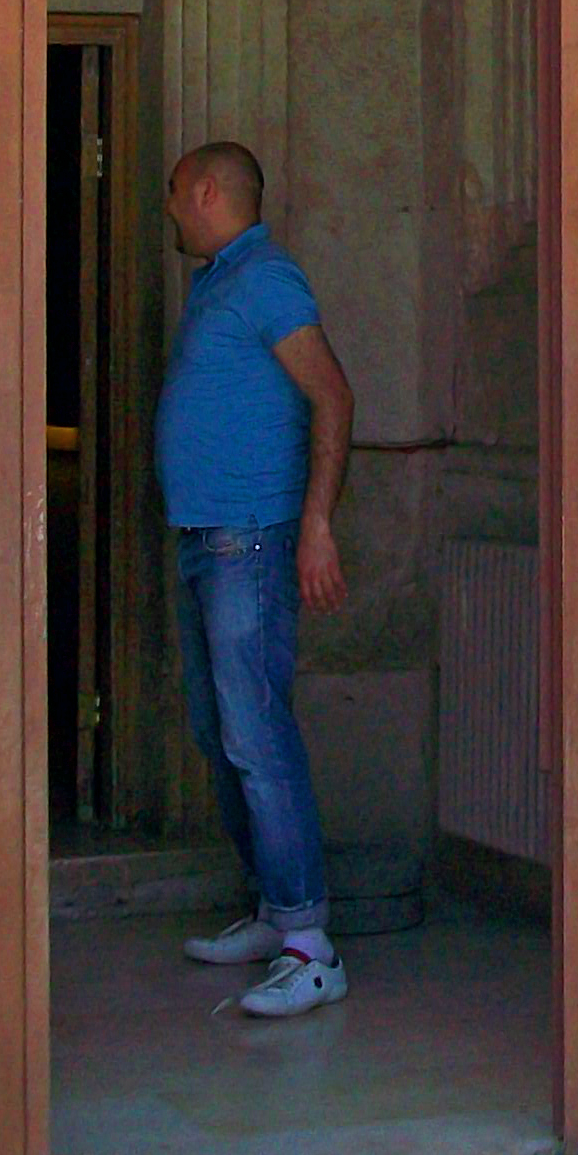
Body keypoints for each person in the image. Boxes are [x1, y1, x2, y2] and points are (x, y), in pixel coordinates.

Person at [157, 139, 356, 1018]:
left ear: (205, 192)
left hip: (252, 545)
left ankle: (311, 946)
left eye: (173, 194)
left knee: (257, 736)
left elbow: (333, 395)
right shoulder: (218, 281)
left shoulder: (267, 278)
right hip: (205, 540)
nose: (167, 209)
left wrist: (315, 525)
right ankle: (276, 913)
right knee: (220, 731)